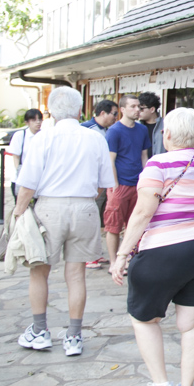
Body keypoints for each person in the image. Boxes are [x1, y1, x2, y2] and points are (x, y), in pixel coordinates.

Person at [108, 108, 194, 386]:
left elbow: (142, 212)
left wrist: (122, 253)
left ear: (166, 135)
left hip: (166, 247)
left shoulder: (157, 164)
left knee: (144, 317)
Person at [12, 87, 115, 356]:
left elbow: (27, 184)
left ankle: (39, 330)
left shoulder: (43, 138)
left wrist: (18, 213)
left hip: (50, 208)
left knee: (39, 270)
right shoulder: (95, 138)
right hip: (84, 207)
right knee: (76, 274)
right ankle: (74, 336)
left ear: (51, 112)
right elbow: (104, 185)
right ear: (80, 110)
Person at [104, 96, 151, 266]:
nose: (137, 109)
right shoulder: (114, 131)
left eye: (139, 106)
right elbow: (110, 160)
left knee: (136, 223)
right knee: (114, 225)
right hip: (121, 184)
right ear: (122, 109)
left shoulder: (142, 130)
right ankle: (113, 261)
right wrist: (114, 184)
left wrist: (146, 179)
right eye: (133, 106)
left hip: (138, 183)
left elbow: (144, 156)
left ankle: (132, 258)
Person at [82, 100, 119, 270]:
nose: (115, 118)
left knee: (99, 218)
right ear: (102, 113)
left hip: (104, 181)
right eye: (114, 113)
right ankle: (88, 256)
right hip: (90, 181)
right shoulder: (86, 129)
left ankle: (95, 254)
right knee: (90, 217)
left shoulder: (108, 130)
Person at [6, 109, 44, 201]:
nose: (38, 122)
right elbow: (16, 157)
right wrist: (20, 174)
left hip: (40, 178)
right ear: (27, 122)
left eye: (40, 119)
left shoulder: (44, 135)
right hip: (22, 177)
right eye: (34, 120)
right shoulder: (20, 136)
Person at [137, 91, 163, 157]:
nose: (138, 111)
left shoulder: (166, 125)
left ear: (152, 109)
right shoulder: (136, 126)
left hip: (161, 165)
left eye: (141, 108)